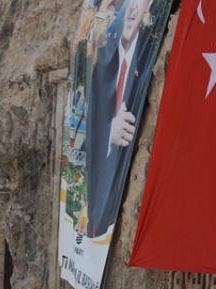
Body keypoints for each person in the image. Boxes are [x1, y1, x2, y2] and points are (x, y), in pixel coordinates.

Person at [85, 0, 158, 237]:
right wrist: (109, 133)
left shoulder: (149, 61)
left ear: (149, 6)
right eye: (130, 1)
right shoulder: (100, 60)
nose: (133, 9)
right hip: (91, 210)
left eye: (140, 1)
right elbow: (79, 135)